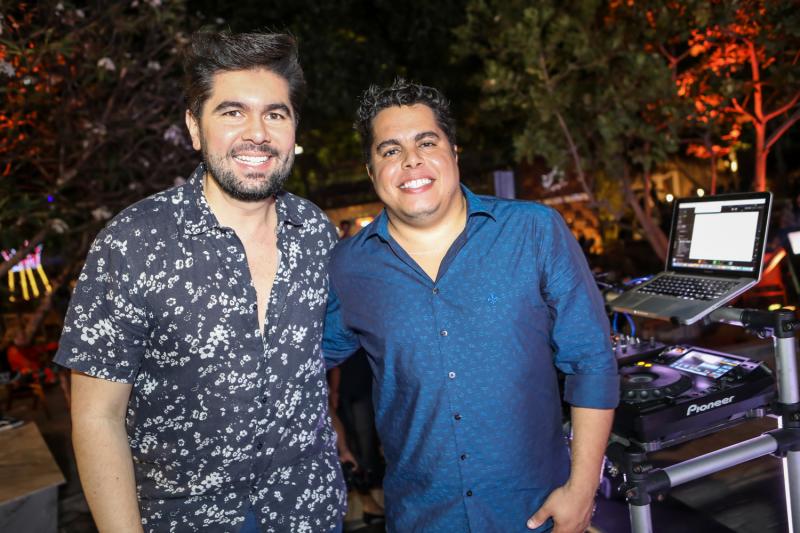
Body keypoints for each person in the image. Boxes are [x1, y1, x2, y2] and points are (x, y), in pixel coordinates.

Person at [55, 31, 346, 532]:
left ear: (294, 129)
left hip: (310, 512)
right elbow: (97, 418)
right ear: (195, 127)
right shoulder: (132, 244)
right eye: (233, 112)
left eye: (275, 114)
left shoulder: (317, 233)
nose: (257, 133)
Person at [322, 79, 619, 532]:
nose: (411, 160)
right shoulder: (347, 266)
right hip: (422, 519)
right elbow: (298, 364)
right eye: (390, 150)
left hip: (537, 513)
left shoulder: (534, 231)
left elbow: (592, 362)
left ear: (454, 153)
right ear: (371, 170)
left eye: (427, 142)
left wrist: (581, 491)